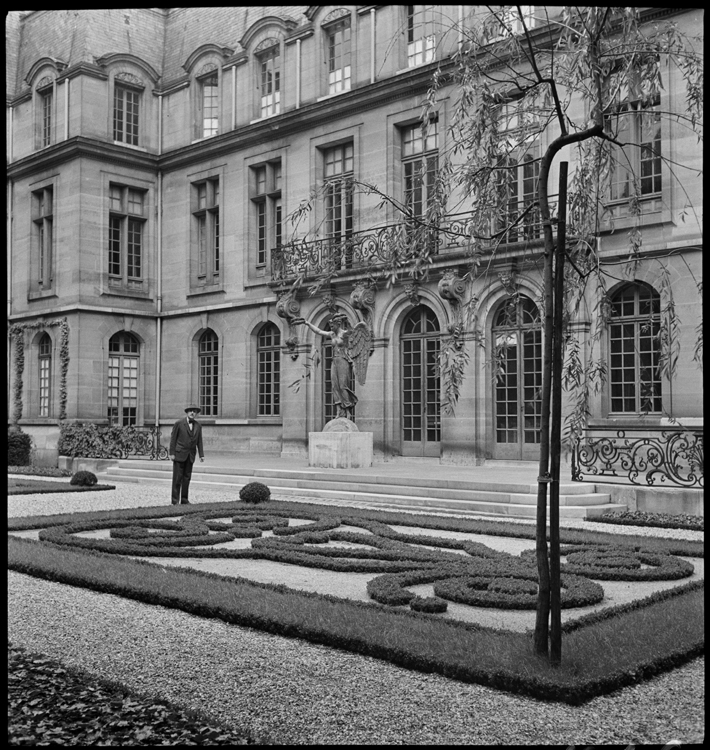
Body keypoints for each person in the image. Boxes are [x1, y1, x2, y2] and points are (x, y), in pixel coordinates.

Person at [294, 313, 370, 420]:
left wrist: (346, 320)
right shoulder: (332, 334)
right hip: (334, 361)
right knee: (335, 386)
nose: (331, 328)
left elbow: (352, 331)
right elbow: (319, 331)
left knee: (343, 386)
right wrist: (307, 323)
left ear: (338, 324)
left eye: (332, 326)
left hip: (343, 360)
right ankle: (339, 411)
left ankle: (348, 411)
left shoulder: (345, 334)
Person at [168, 405, 205, 505]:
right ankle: (175, 500)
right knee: (177, 478)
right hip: (179, 454)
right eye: (190, 411)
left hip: (190, 455)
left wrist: (201, 454)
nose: (192, 413)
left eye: (194, 411)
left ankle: (184, 499)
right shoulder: (179, 424)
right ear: (187, 413)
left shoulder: (198, 425)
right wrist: (172, 453)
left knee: (187, 478)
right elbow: (173, 439)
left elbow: (199, 441)